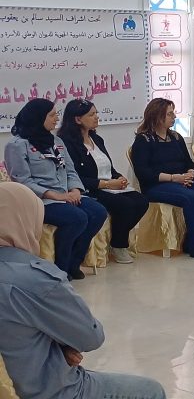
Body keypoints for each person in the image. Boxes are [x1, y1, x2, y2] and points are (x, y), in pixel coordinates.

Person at [0, 182, 167, 399]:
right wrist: (61, 343)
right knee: (150, 391)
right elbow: (90, 336)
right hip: (52, 390)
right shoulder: (37, 280)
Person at [3, 99, 106, 279]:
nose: (57, 118)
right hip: (40, 201)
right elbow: (22, 181)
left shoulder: (56, 141)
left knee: (98, 212)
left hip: (65, 194)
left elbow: (70, 170)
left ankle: (74, 262)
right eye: (52, 115)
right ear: (38, 118)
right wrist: (56, 196)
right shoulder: (17, 145)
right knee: (77, 218)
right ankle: (60, 268)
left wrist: (75, 190)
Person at [58, 99, 149, 265]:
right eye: (91, 114)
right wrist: (106, 184)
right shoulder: (66, 143)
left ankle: (117, 236)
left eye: (96, 113)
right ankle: (119, 245)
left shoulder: (97, 139)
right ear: (77, 119)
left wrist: (119, 177)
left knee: (141, 201)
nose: (96, 117)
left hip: (109, 185)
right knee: (125, 205)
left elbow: (108, 167)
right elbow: (74, 176)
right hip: (90, 188)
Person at [130, 98, 194, 260]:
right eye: (170, 114)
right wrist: (173, 178)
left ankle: (191, 240)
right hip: (156, 185)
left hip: (182, 180)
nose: (174, 117)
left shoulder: (176, 137)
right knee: (191, 197)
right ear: (158, 116)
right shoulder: (143, 140)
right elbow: (144, 173)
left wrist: (191, 173)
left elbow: (188, 162)